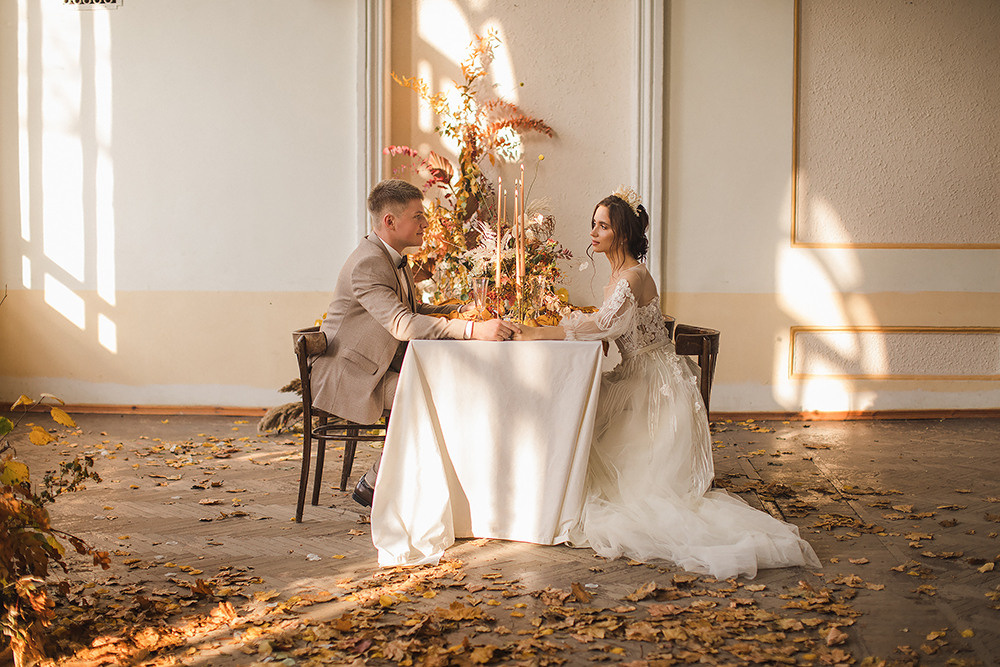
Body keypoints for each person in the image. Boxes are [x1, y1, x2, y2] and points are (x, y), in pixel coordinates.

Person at [514, 187, 820, 579]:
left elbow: (604, 326)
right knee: (581, 411)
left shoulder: (634, 275)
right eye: (593, 224)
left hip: (656, 382)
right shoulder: (621, 274)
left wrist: (543, 332)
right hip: (637, 372)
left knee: (615, 469)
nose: (593, 231)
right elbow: (608, 323)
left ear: (621, 235)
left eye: (602, 225)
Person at [311, 179, 519, 508]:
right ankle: (376, 482)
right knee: (430, 393)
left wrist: (462, 311)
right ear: (390, 222)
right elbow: (403, 323)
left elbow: (415, 310)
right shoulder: (369, 263)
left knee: (445, 386)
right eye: (418, 215)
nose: (426, 223)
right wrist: (471, 332)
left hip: (378, 365)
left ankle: (422, 483)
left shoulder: (390, 257)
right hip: (352, 372)